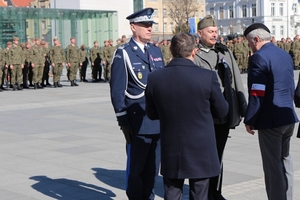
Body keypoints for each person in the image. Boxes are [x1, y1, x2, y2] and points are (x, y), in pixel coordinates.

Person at [145, 32, 228, 200]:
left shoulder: (155, 78)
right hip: (201, 147)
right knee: (199, 194)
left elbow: (151, 113)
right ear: (194, 51)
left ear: (170, 50)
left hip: (171, 145)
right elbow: (222, 111)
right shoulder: (207, 77)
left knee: (172, 192)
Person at [109, 7, 164, 200]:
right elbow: (117, 90)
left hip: (157, 121)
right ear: (133, 27)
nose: (149, 28)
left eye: (150, 25)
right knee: (136, 170)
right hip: (137, 121)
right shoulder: (123, 53)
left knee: (152, 170)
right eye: (145, 25)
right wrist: (123, 120)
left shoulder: (156, 51)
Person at [194, 15, 247, 200]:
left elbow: (237, 80)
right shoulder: (196, 55)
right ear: (200, 33)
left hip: (224, 113)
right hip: (206, 115)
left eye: (216, 32)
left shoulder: (224, 52)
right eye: (210, 32)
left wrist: (243, 107)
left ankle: (216, 191)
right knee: (205, 157)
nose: (214, 35)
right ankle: (204, 192)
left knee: (219, 155)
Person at [243, 23, 298, 200]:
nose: (249, 46)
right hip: (287, 115)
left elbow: (257, 93)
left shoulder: (259, 57)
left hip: (270, 120)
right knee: (285, 162)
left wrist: (250, 118)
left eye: (249, 42)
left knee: (273, 168)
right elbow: (290, 86)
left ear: (257, 39)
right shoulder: (284, 55)